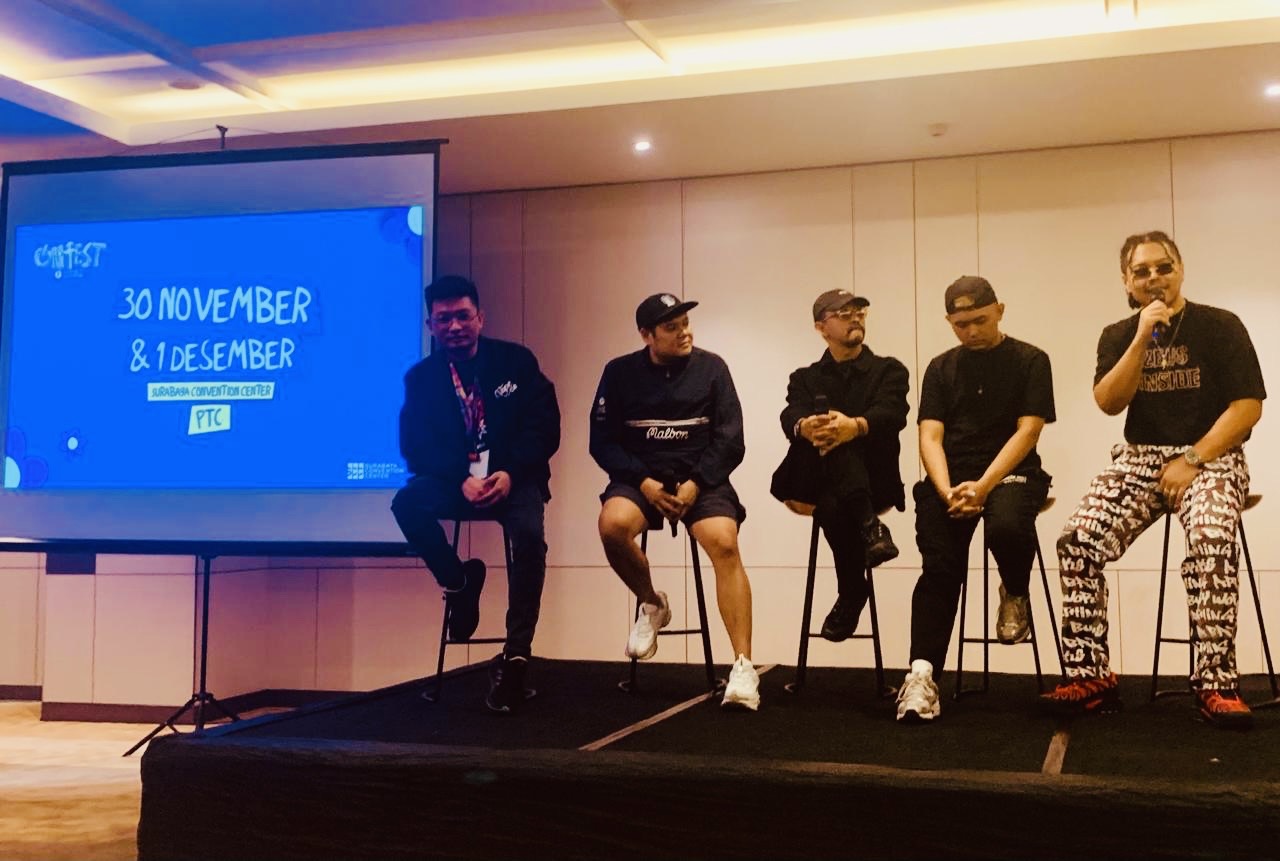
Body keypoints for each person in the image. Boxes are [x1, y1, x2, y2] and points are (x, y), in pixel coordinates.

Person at [1044, 231, 1264, 730]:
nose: (1154, 278)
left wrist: (1193, 458)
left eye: (1163, 267)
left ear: (1180, 270)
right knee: (1077, 540)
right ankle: (1091, 677)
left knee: (1210, 537)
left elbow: (1247, 407)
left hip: (1211, 454)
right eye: (1141, 271)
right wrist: (1142, 337)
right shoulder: (1118, 334)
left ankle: (1216, 684)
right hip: (1141, 457)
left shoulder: (1220, 325)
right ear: (1126, 281)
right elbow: (1109, 402)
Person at [392, 274, 561, 715]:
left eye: (463, 316)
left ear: (480, 318)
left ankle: (516, 655)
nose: (455, 326)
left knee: (529, 539)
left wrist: (510, 472)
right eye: (444, 319)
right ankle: (459, 582)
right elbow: (413, 446)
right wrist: (458, 477)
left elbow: (545, 426)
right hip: (456, 481)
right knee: (406, 504)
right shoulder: (421, 379)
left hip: (513, 478)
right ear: (430, 326)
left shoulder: (516, 362)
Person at [897, 276, 1055, 723]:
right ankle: (922, 675)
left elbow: (1028, 431)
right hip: (952, 479)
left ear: (1000, 311)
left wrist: (983, 486)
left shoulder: (1030, 359)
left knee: (1005, 524)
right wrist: (947, 489)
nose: (971, 331)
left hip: (1010, 473)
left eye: (980, 320)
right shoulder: (940, 367)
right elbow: (929, 435)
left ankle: (1015, 589)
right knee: (940, 568)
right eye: (960, 324)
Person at [590, 293, 759, 711]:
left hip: (701, 480)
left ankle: (743, 667)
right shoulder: (619, 372)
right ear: (646, 335)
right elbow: (602, 442)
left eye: (685, 324)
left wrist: (697, 483)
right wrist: (644, 482)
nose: (684, 333)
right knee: (612, 526)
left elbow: (731, 439)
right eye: (672, 327)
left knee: (724, 541)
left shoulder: (712, 368)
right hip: (641, 479)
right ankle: (652, 602)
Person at [771, 288, 909, 644]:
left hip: (873, 480)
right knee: (830, 437)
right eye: (844, 314)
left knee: (833, 502)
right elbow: (790, 413)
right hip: (812, 478)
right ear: (821, 327)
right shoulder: (804, 377)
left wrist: (855, 427)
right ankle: (870, 529)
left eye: (859, 312)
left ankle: (852, 592)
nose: (855, 318)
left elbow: (893, 412)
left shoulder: (889, 370)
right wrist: (805, 426)